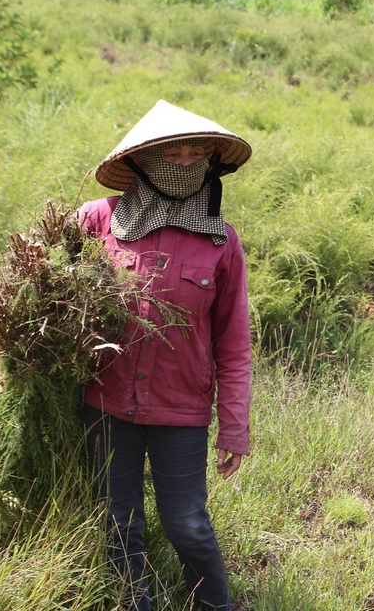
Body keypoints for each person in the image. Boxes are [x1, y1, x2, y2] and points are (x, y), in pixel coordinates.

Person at [78, 100, 253, 611]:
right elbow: (41, 287)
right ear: (142, 161)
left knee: (188, 526)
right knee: (117, 522)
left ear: (212, 164)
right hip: (105, 406)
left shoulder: (222, 242)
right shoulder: (97, 221)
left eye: (196, 152)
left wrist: (234, 427)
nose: (185, 161)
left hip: (181, 409)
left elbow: (234, 345)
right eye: (171, 151)